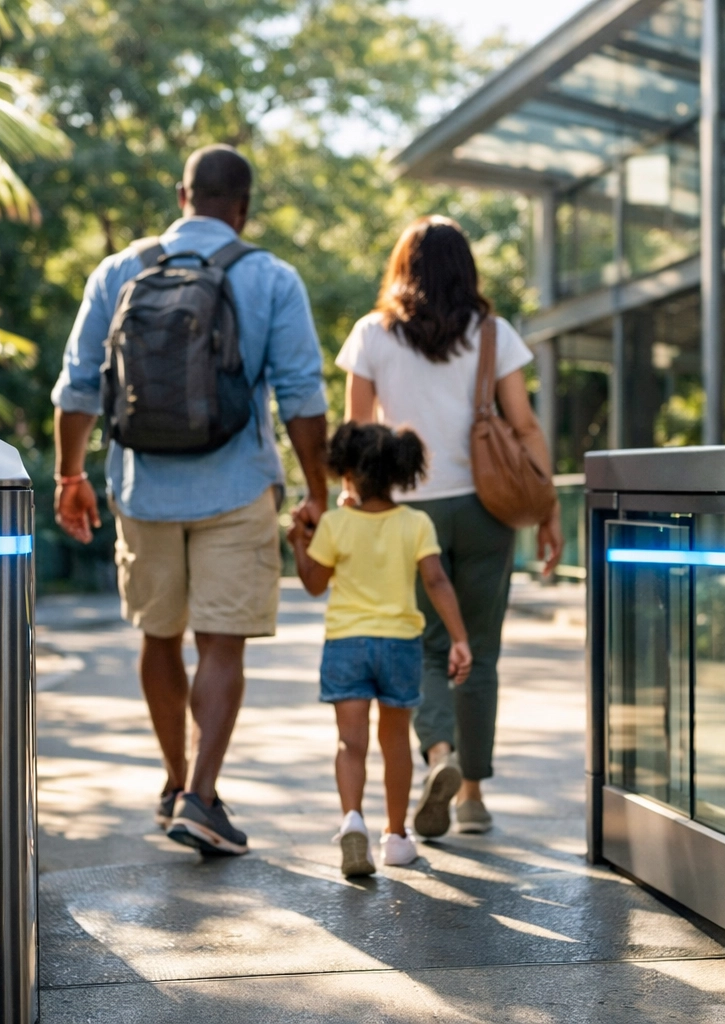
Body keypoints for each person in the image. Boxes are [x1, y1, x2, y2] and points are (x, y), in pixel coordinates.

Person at [52, 144, 330, 857]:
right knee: (221, 643)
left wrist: (69, 475)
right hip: (235, 485)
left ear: (183, 195)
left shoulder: (119, 271)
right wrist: (318, 492)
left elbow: (78, 384)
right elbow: (302, 395)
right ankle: (203, 797)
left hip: (142, 486)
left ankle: (176, 782)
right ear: (243, 207)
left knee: (158, 633)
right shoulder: (270, 277)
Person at [335, 215, 563, 838]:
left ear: (402, 267)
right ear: (466, 268)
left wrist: (352, 511)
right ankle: (472, 797)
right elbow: (525, 428)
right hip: (488, 509)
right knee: (480, 651)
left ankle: (439, 753)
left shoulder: (373, 335)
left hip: (410, 512)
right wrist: (549, 509)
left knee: (428, 648)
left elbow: (357, 434)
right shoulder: (493, 333)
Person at [289, 423, 472, 876]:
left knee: (350, 743)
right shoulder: (415, 523)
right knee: (394, 745)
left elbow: (313, 584)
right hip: (400, 645)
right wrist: (459, 638)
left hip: (346, 644)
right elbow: (436, 580)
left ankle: (353, 822)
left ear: (346, 471)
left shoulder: (334, 523)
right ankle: (395, 837)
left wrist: (298, 541)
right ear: (400, 473)